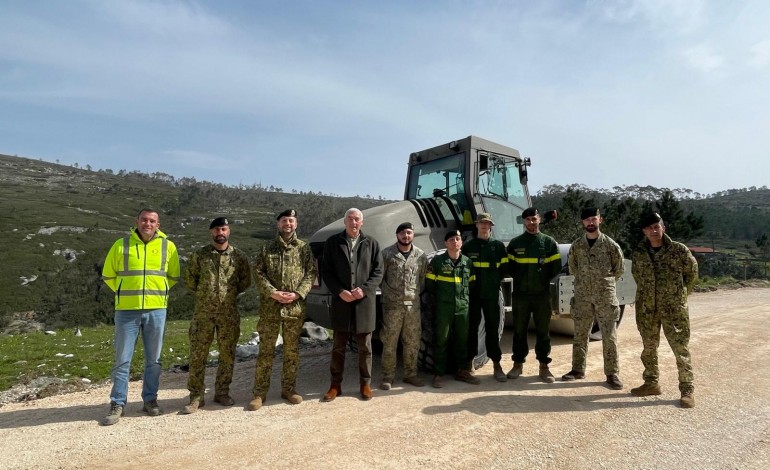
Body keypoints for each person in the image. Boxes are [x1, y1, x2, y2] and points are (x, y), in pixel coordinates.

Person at [100, 208, 180, 426]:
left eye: (152, 221)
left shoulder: (168, 247)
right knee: (122, 359)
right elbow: (108, 275)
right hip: (126, 311)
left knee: (154, 360)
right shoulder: (121, 245)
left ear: (158, 225)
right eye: (144, 219)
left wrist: (158, 292)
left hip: (156, 310)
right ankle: (117, 403)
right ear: (136, 221)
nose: (148, 223)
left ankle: (150, 400)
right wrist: (124, 291)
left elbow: (173, 276)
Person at [181, 217, 251, 414]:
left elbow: (245, 282)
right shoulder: (200, 255)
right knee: (198, 356)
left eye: (224, 229)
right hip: (203, 314)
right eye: (217, 230)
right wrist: (207, 296)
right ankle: (196, 396)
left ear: (229, 231)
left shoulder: (239, 256)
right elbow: (190, 280)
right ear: (211, 232)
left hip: (228, 314)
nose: (220, 233)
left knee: (227, 355)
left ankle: (221, 392)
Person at [249, 209, 317, 410]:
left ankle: (289, 389)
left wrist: (297, 294)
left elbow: (311, 273)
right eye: (284, 221)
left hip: (294, 308)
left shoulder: (304, 248)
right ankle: (259, 393)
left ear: (295, 224)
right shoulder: (267, 248)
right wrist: (273, 292)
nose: (288, 224)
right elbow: (258, 273)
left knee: (291, 352)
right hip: (271, 308)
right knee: (266, 351)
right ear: (278, 224)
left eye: (291, 221)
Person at [630, 212, 698, 408]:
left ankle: (687, 390)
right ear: (644, 231)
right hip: (647, 309)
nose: (653, 231)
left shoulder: (679, 251)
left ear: (663, 228)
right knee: (649, 348)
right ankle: (651, 383)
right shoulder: (639, 253)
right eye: (649, 228)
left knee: (680, 349)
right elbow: (638, 277)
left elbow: (691, 275)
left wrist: (679, 297)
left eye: (656, 226)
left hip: (673, 309)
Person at [321, 208, 383, 401]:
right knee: (338, 346)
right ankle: (335, 385)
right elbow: (326, 271)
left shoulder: (371, 243)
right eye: (350, 219)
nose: (353, 222)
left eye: (357, 219)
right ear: (344, 222)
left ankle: (365, 384)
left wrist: (364, 289)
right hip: (342, 302)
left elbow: (378, 272)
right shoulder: (333, 243)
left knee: (365, 347)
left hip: (364, 302)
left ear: (361, 223)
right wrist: (340, 291)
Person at [561, 208, 624, 390]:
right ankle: (577, 369)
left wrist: (601, 283)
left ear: (600, 220)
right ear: (583, 223)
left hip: (605, 296)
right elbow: (573, 269)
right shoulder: (577, 246)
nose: (590, 222)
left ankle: (612, 374)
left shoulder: (611, 245)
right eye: (587, 220)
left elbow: (619, 269)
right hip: (582, 296)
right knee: (580, 334)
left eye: (593, 219)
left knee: (608, 335)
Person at [506, 207, 561, 383]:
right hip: (521, 295)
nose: (531, 222)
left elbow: (555, 268)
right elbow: (510, 268)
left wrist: (541, 281)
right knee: (519, 331)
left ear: (539, 219)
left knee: (543, 331)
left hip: (541, 295)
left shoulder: (549, 243)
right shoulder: (515, 244)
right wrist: (522, 282)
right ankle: (517, 365)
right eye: (528, 219)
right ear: (524, 222)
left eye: (534, 219)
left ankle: (544, 367)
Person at [425, 230, 480, 388]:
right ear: (445, 244)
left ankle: (462, 371)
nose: (455, 241)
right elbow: (430, 285)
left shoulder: (468, 263)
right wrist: (443, 299)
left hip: (462, 307)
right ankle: (438, 373)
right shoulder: (437, 262)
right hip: (444, 308)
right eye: (451, 239)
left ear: (461, 243)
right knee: (441, 339)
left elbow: (472, 284)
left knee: (462, 340)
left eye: (458, 239)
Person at [379, 222, 428, 390]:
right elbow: (380, 278)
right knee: (389, 341)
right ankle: (388, 376)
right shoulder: (387, 254)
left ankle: (410, 374)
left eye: (409, 233)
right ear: (397, 235)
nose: (406, 236)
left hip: (413, 307)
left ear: (413, 235)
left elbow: (422, 279)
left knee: (412, 341)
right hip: (392, 307)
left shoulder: (421, 256)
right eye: (402, 233)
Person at [462, 213, 509, 382]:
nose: (484, 225)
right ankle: (468, 364)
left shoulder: (498, 246)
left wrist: (494, 282)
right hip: (473, 295)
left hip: (491, 295)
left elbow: (504, 269)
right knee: (472, 329)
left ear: (491, 226)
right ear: (476, 225)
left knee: (492, 329)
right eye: (481, 222)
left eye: (487, 223)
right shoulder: (468, 247)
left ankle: (497, 364)